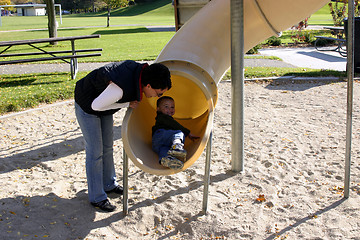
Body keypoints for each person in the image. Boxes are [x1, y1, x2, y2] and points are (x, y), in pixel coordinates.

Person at [74, 60, 171, 212]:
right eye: (159, 93)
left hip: (104, 104)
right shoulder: (119, 89)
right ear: (149, 86)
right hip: (88, 105)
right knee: (95, 152)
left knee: (107, 147)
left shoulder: (140, 76)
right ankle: (97, 197)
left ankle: (109, 184)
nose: (157, 96)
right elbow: (96, 106)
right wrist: (126, 104)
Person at [152, 96, 199, 170]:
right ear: (158, 109)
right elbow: (174, 124)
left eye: (172, 107)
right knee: (179, 132)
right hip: (161, 134)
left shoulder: (161, 118)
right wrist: (188, 133)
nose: (170, 109)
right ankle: (176, 146)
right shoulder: (163, 117)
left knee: (164, 150)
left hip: (157, 143)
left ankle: (166, 160)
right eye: (166, 107)